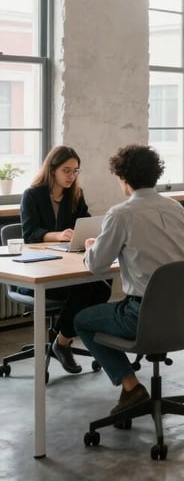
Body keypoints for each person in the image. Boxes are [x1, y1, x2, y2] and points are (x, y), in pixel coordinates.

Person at [73, 144, 184, 415]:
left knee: (82, 321)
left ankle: (130, 386)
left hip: (144, 316)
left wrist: (92, 245)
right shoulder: (177, 208)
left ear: (123, 178)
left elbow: (96, 265)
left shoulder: (122, 213)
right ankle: (131, 387)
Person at [20, 145, 112, 374]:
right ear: (52, 170)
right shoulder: (32, 195)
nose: (72, 176)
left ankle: (61, 340)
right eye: (67, 170)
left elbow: (87, 223)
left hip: (67, 262)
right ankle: (62, 342)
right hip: (39, 271)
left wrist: (90, 235)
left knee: (103, 284)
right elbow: (29, 233)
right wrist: (58, 235)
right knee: (86, 287)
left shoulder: (75, 196)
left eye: (76, 171)